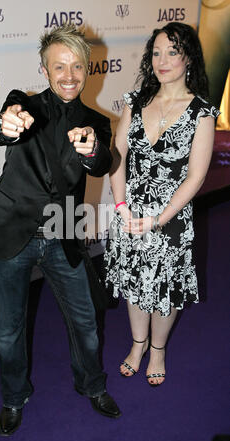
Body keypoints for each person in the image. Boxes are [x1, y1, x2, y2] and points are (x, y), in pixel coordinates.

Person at [0, 24, 121, 436]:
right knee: (8, 331)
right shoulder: (24, 104)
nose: (69, 75)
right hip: (13, 234)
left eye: (77, 66)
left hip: (62, 234)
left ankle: (92, 385)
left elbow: (103, 161)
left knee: (86, 321)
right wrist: (7, 124)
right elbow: (3, 125)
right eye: (59, 67)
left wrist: (91, 149)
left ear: (88, 69)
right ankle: (14, 397)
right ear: (44, 69)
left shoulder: (95, 122)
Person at [104, 22, 220, 386]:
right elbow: (117, 153)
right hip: (131, 209)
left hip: (170, 216)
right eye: (156, 52)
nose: (162, 60)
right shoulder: (136, 100)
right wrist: (122, 206)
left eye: (172, 51)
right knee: (136, 283)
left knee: (164, 288)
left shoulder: (201, 111)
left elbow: (196, 176)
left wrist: (159, 218)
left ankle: (158, 349)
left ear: (189, 58)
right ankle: (137, 344)